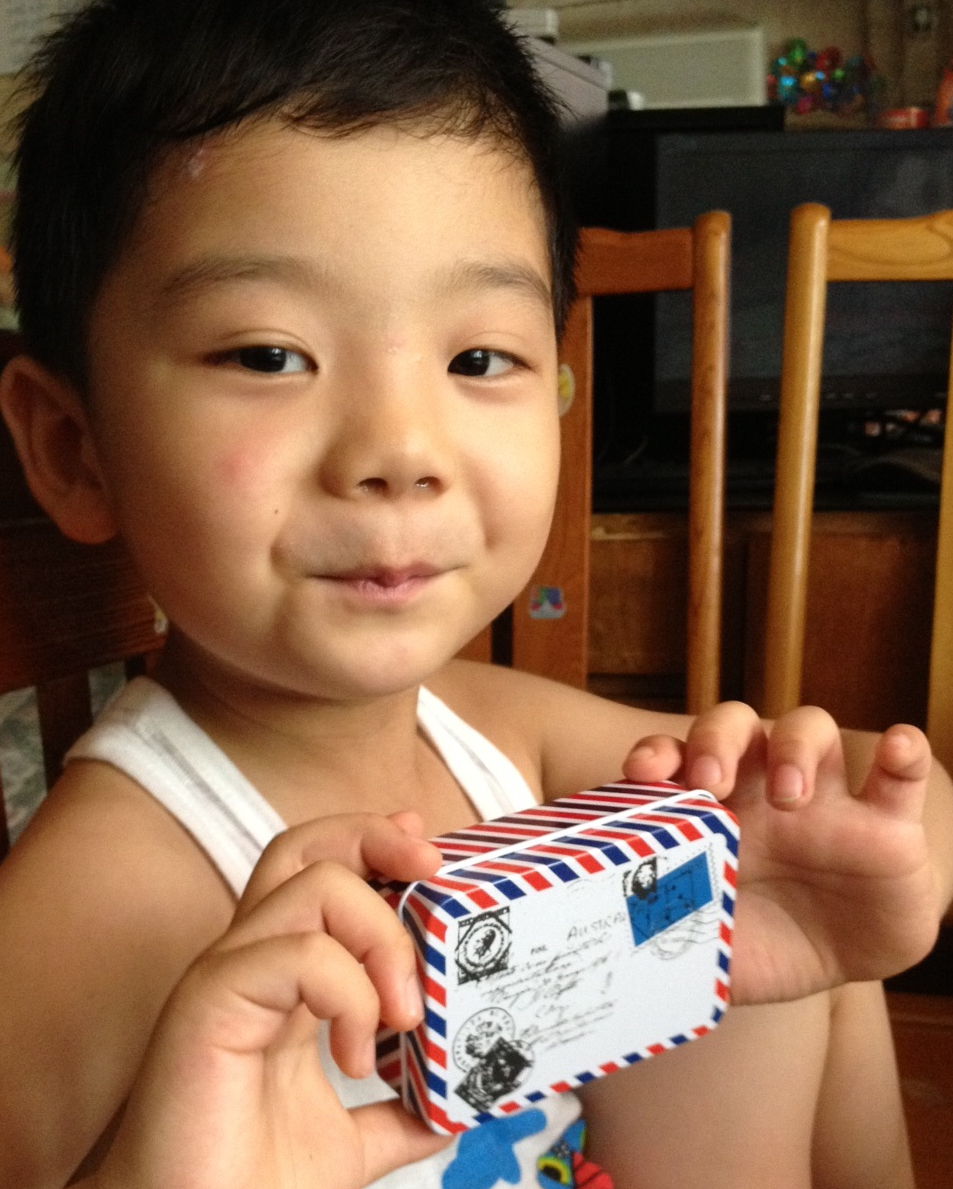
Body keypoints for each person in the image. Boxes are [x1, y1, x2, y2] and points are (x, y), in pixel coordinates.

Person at [0, 1, 950, 1186]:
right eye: (268, 354)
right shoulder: (72, 923)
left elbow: (878, 804)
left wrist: (883, 841)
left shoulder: (497, 734)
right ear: (75, 449)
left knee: (766, 887)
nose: (401, 448)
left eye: (476, 358)